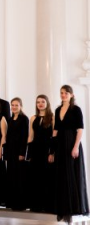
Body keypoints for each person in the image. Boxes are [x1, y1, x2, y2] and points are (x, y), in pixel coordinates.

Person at [51, 85, 89, 222]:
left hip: (71, 143)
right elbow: (55, 131)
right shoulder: (57, 109)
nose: (63, 95)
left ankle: (73, 208)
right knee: (61, 176)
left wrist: (76, 147)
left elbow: (79, 130)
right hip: (60, 144)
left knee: (72, 175)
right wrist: (52, 150)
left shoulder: (76, 109)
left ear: (71, 95)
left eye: (66, 93)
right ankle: (62, 208)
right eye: (61, 93)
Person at [28, 95, 55, 213]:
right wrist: (28, 153)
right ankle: (36, 205)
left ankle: (47, 205)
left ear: (47, 103)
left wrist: (52, 153)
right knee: (35, 178)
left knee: (46, 177)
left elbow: (54, 137)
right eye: (38, 102)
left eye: (42, 102)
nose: (40, 104)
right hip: (35, 150)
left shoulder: (52, 117)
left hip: (46, 150)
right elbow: (30, 136)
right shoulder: (33, 118)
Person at [5, 98, 30, 210]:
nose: (14, 107)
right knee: (11, 176)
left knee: (19, 177)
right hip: (10, 151)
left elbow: (24, 137)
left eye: (16, 105)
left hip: (19, 151)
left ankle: (21, 204)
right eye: (12, 105)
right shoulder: (10, 120)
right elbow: (8, 137)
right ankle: (12, 203)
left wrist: (22, 153)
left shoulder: (24, 119)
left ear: (21, 106)